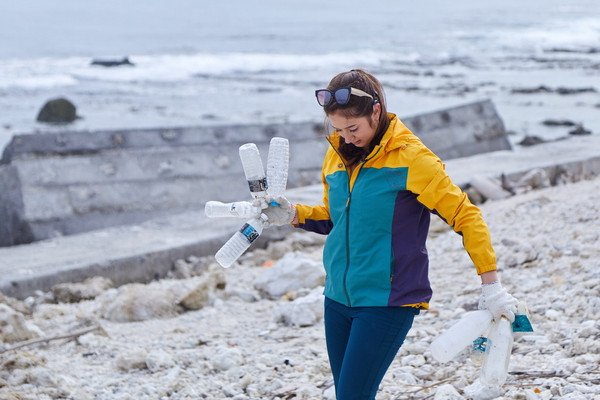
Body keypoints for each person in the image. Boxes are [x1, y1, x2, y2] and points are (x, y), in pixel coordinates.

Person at [262, 69, 518, 400]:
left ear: (376, 111)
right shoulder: (337, 153)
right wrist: (294, 214)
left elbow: (466, 216)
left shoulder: (413, 159)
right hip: (338, 297)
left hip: (388, 301)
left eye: (352, 128)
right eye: (337, 129)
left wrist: (491, 285)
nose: (345, 137)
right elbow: (336, 218)